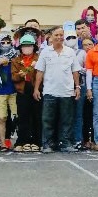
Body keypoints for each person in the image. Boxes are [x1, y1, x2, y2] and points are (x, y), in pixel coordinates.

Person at [33, 26, 81, 154]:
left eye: (61, 35)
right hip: (50, 91)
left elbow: (75, 71)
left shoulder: (70, 52)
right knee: (48, 120)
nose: (59, 37)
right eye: (56, 35)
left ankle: (65, 143)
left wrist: (77, 87)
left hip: (67, 91)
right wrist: (36, 89)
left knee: (67, 120)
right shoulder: (45, 52)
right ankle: (47, 144)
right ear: (51, 37)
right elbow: (40, 71)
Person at [11, 34, 41, 152]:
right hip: (22, 90)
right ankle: (23, 140)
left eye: (29, 46)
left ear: (34, 47)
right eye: (24, 46)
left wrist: (35, 68)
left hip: (36, 89)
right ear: (20, 48)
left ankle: (36, 141)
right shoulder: (16, 60)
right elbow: (13, 77)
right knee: (23, 116)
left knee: (36, 116)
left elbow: (43, 75)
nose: (27, 48)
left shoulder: (39, 59)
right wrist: (20, 75)